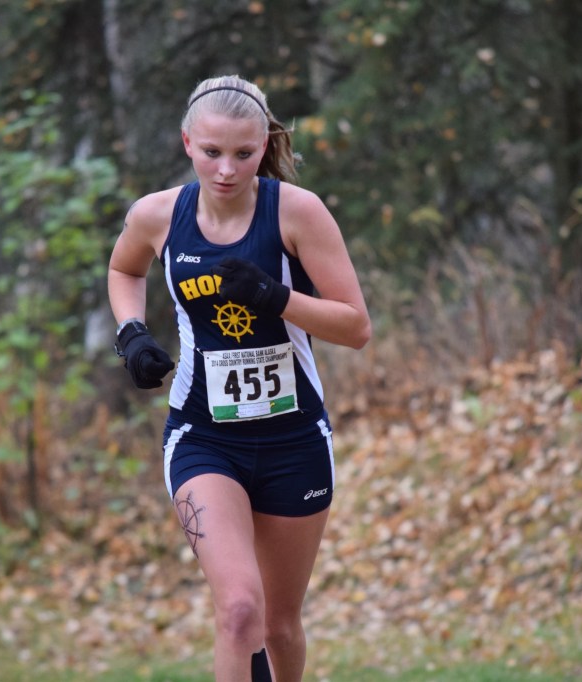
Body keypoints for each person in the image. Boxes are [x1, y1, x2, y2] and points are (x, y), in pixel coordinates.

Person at [107, 75, 371, 682]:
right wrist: (131, 334)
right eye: (211, 152)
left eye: (244, 154)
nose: (226, 169)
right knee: (240, 610)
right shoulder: (157, 215)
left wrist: (277, 297)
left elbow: (355, 327)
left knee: (278, 625)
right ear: (187, 143)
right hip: (204, 437)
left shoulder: (296, 213)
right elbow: (124, 269)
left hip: (293, 439)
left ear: (264, 145)